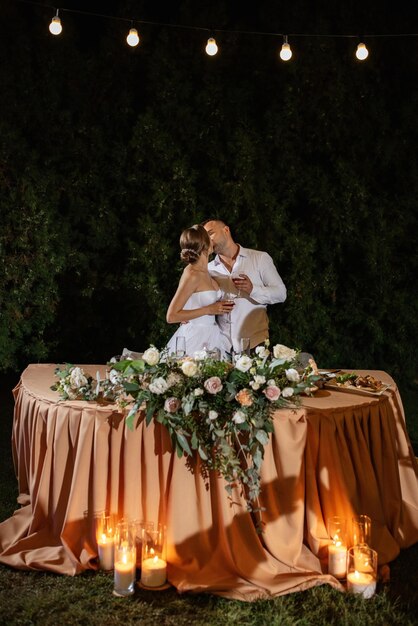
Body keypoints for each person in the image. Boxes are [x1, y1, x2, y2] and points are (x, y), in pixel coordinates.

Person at [202, 218, 287, 352]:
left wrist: (253, 289)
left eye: (211, 233)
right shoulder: (208, 269)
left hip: (254, 344)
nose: (208, 240)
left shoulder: (259, 258)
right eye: (205, 238)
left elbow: (281, 294)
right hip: (221, 347)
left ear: (226, 230)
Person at [166, 224, 233, 358]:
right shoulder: (192, 273)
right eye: (209, 236)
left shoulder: (207, 271)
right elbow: (171, 316)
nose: (212, 239)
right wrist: (209, 309)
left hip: (213, 335)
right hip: (195, 338)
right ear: (205, 245)